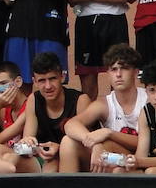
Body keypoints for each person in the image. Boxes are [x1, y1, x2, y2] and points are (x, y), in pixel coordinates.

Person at [61, 43, 145, 172]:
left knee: (107, 146)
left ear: (136, 72)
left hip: (141, 160)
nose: (118, 74)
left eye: (124, 68)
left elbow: (146, 143)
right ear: (108, 73)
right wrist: (94, 143)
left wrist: (109, 133)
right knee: (68, 142)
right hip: (111, 158)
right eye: (113, 69)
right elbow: (70, 124)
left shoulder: (147, 100)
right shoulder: (104, 103)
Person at [20, 52, 88, 173]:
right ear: (34, 81)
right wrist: (34, 146)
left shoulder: (80, 100)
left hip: (80, 161)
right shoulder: (33, 99)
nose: (48, 86)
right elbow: (28, 138)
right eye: (41, 81)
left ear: (62, 76)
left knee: (55, 163)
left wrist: (60, 149)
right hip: (47, 159)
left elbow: (88, 144)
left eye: (52, 79)